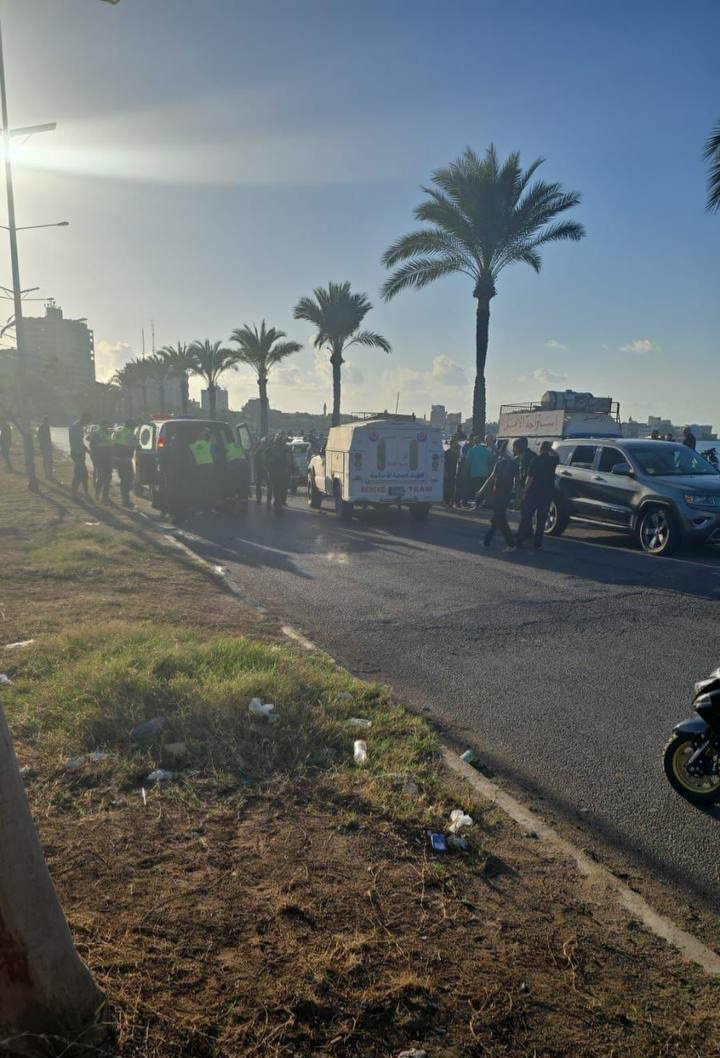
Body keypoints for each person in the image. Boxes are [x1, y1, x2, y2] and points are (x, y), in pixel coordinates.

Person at [516, 440, 559, 551]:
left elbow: (530, 478)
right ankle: (538, 544)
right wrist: (550, 449)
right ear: (548, 449)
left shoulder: (535, 460)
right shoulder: (553, 460)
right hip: (546, 494)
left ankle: (519, 541)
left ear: (540, 449)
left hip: (533, 493)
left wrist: (524, 492)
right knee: (541, 521)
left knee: (526, 517)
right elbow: (556, 455)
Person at [481, 441, 517, 551]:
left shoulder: (505, 463)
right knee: (497, 518)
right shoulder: (509, 463)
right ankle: (487, 541)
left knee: (500, 519)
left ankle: (511, 544)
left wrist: (481, 490)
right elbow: (492, 478)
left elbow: (492, 478)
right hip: (503, 495)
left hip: (501, 495)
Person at [112, 420, 137, 508]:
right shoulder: (131, 435)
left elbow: (113, 443)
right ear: (131, 427)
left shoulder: (118, 432)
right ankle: (125, 501)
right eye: (134, 427)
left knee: (124, 479)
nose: (134, 429)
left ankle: (125, 499)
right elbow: (136, 446)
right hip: (125, 460)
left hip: (116, 459)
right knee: (127, 480)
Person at [265, 433, 292, 513]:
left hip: (274, 473)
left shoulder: (269, 450)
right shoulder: (285, 449)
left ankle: (277, 504)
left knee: (276, 489)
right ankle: (278, 504)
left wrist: (267, 470)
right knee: (281, 489)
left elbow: (265, 462)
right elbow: (289, 460)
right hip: (281, 473)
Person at [90, 422, 114, 503]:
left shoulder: (107, 433)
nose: (107, 427)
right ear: (102, 426)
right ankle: (97, 495)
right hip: (100, 459)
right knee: (101, 478)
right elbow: (92, 446)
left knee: (108, 478)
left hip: (108, 459)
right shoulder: (96, 434)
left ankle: (105, 497)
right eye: (105, 425)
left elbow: (110, 445)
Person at [68, 413, 92, 498]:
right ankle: (74, 493)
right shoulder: (76, 427)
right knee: (79, 473)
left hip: (79, 452)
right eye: (87, 421)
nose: (87, 424)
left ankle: (85, 492)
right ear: (84, 419)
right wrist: (88, 450)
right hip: (77, 453)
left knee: (83, 473)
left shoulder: (78, 426)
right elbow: (78, 442)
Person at [443, 438, 459, 507]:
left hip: (454, 472)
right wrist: (445, 472)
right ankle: (446, 501)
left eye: (457, 443)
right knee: (447, 488)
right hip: (448, 472)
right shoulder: (447, 452)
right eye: (455, 443)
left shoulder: (457, 453)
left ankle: (450, 502)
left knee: (452, 488)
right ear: (451, 444)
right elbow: (444, 463)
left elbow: (458, 463)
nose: (456, 444)